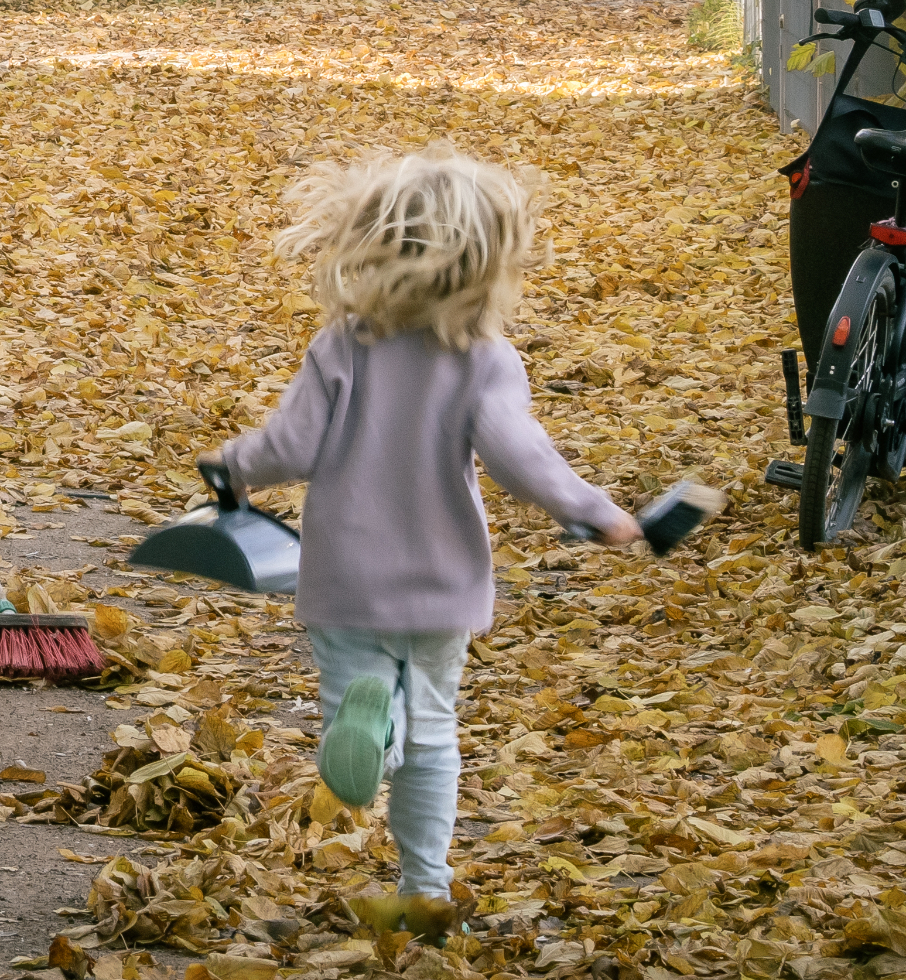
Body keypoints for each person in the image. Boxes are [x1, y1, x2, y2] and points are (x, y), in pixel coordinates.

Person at [205, 142, 640, 928]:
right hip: (444, 582)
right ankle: (425, 885)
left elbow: (292, 446)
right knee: (437, 731)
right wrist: (592, 510)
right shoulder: (485, 360)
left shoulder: (342, 346)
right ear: (488, 263)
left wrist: (234, 468)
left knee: (358, 719)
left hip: (347, 576)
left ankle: (373, 718)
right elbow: (520, 457)